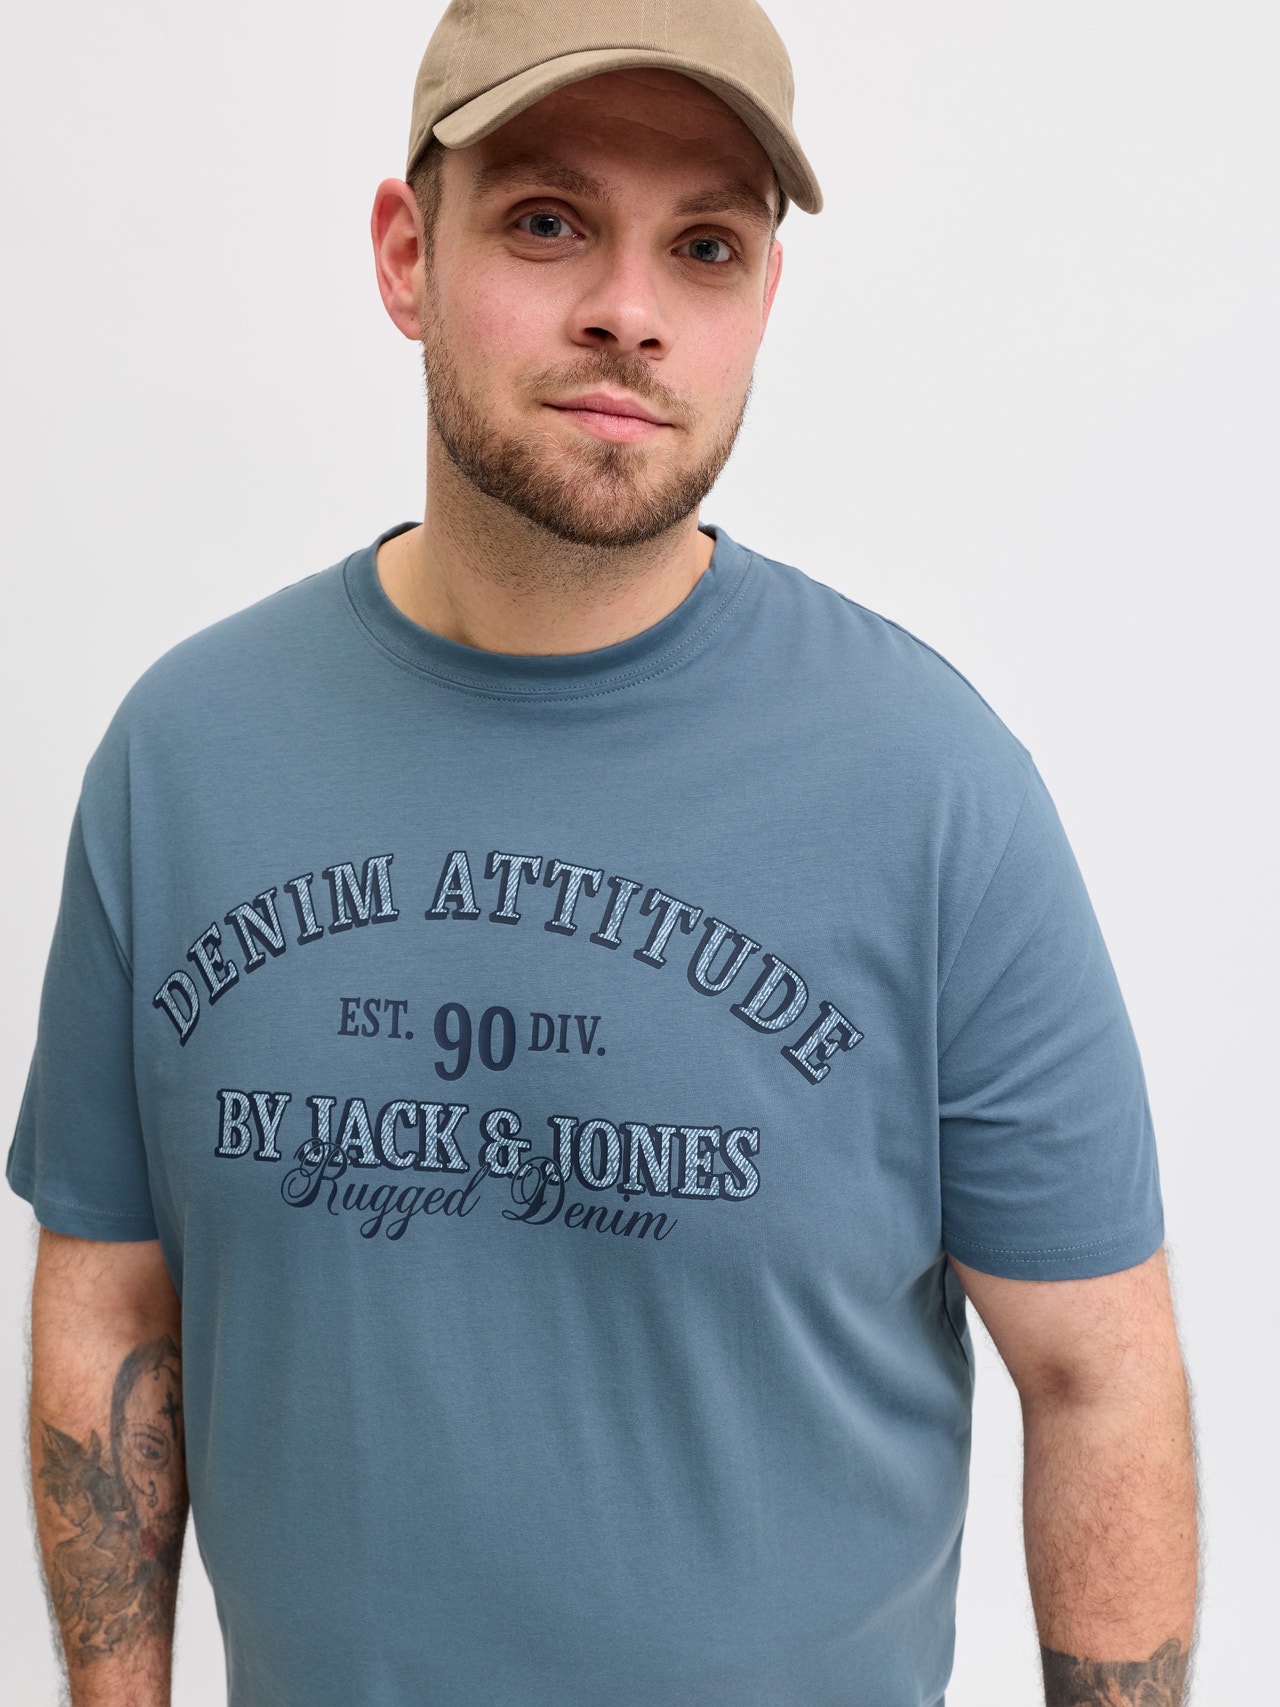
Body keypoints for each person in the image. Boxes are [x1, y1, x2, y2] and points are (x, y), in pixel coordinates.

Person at [6, 0, 1198, 1703]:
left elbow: (1098, 1374)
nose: (628, 312)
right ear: (407, 255)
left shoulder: (933, 791)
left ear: (760, 303)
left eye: (703, 247)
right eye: (549, 221)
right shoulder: (183, 759)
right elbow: (112, 1304)